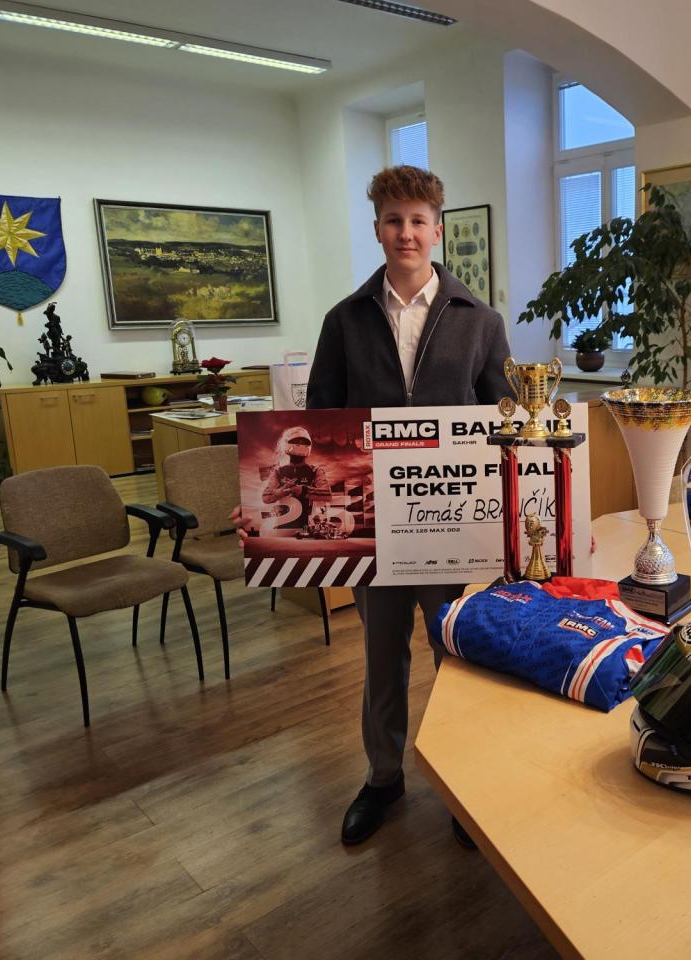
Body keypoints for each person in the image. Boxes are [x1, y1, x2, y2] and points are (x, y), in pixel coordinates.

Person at [235, 165, 511, 847]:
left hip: (454, 526)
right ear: (378, 229)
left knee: (456, 657)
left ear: (437, 230)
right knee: (383, 658)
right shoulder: (345, 320)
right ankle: (383, 777)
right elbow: (316, 425)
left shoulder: (481, 320)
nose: (405, 233)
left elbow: (508, 420)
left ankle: (460, 785)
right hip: (373, 528)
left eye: (418, 221)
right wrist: (276, 511)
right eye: (393, 220)